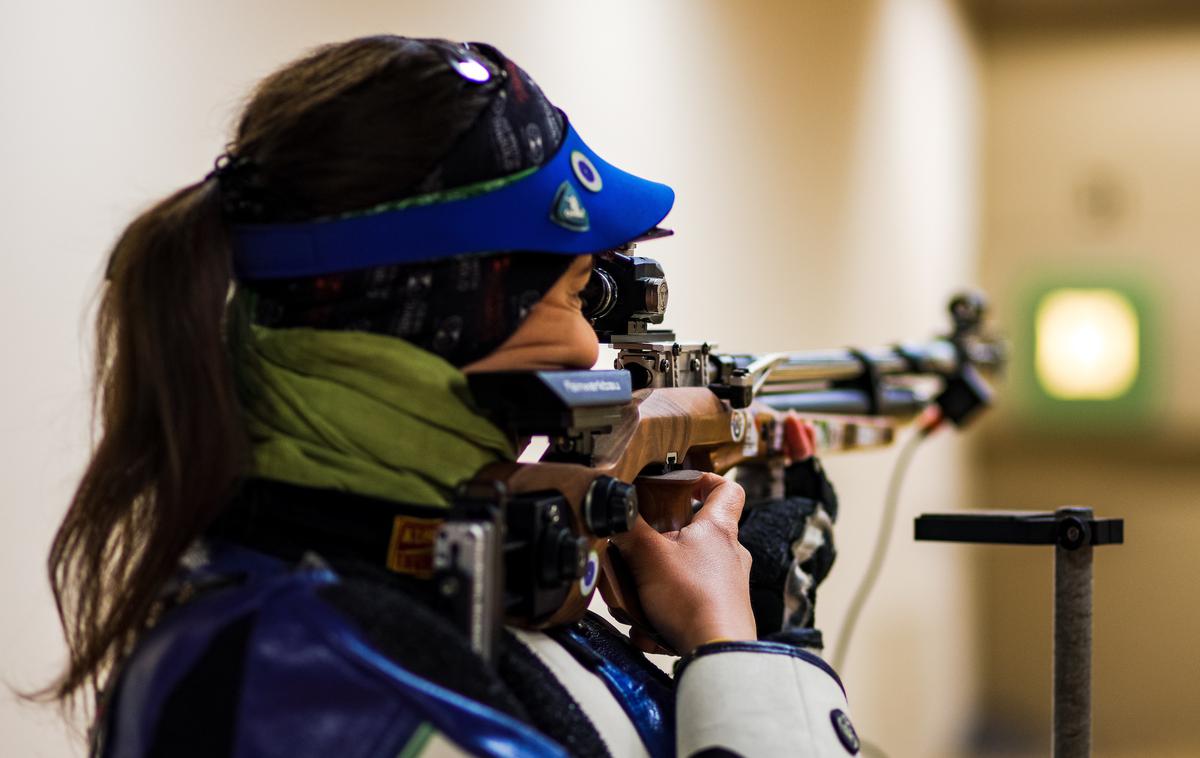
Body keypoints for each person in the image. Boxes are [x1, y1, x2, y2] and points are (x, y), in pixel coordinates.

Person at [45, 36, 853, 757]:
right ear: (454, 312)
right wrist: (729, 643)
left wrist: (766, 619)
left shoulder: (424, 567)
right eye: (576, 295)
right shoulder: (292, 680)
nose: (588, 346)